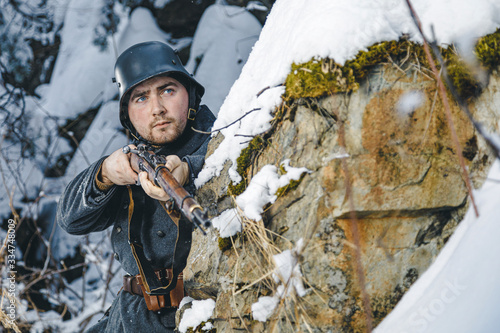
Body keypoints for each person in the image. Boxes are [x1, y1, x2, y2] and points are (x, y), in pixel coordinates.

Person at [56, 41, 215, 332]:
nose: (157, 109)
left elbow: (221, 157)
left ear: (190, 95)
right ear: (127, 114)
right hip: (130, 318)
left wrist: (188, 170)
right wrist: (105, 174)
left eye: (168, 90)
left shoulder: (225, 143)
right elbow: (69, 219)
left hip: (203, 313)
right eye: (141, 98)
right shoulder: (128, 164)